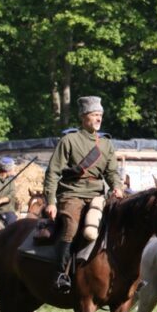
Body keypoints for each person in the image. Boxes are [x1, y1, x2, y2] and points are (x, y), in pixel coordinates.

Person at [43, 96, 125, 292]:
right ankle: (61, 274)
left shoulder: (105, 144)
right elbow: (53, 172)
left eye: (100, 115)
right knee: (71, 225)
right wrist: (51, 201)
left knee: (121, 223)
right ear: (83, 116)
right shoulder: (69, 140)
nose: (98, 119)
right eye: (94, 115)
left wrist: (117, 186)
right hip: (72, 193)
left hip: (97, 194)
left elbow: (112, 172)